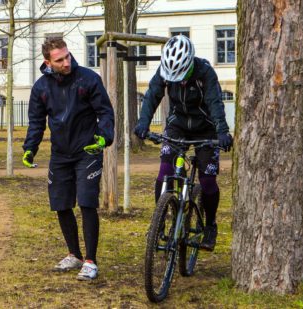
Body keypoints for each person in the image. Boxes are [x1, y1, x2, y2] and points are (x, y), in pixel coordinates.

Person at [22, 37, 114, 280]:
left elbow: (104, 111)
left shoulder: (88, 79)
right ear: (48, 62)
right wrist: (30, 148)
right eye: (60, 59)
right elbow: (36, 122)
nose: (66, 62)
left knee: (86, 202)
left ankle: (91, 261)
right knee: (61, 204)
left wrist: (105, 137)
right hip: (60, 154)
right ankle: (74, 254)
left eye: (68, 56)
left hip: (88, 150)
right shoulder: (41, 88)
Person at [134, 35, 232, 251]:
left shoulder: (205, 72)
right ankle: (159, 218)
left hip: (206, 128)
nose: (176, 79)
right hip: (177, 125)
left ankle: (210, 225)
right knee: (165, 170)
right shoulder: (164, 71)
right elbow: (151, 96)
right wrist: (143, 123)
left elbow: (215, 103)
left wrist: (222, 131)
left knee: (207, 180)